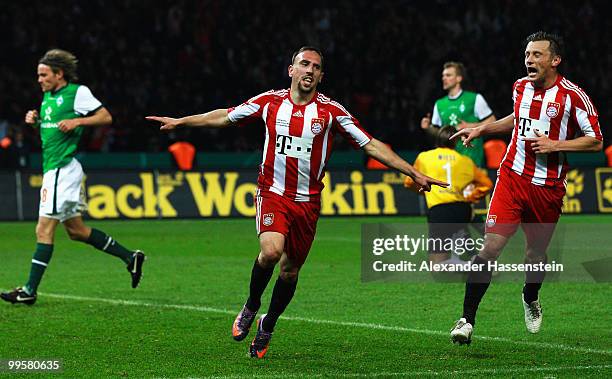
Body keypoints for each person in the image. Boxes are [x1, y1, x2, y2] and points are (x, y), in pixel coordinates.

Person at [146, 46, 447, 359]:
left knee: (290, 272)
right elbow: (226, 116)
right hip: (272, 192)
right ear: (291, 70)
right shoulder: (269, 102)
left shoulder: (331, 113)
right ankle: (251, 306)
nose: (310, 71)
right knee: (271, 252)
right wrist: (182, 122)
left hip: (308, 202)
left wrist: (413, 171)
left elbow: (370, 145)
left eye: (316, 67)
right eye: (304, 64)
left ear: (320, 76)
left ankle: (269, 323)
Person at [448, 32, 603, 345]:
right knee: (490, 247)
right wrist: (482, 128)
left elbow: (596, 139)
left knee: (536, 253)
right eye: (527, 54)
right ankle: (466, 319)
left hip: (548, 188)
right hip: (512, 178)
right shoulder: (520, 87)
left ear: (555, 60)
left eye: (537, 55)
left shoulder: (573, 96)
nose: (529, 60)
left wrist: (556, 144)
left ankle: (530, 295)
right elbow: (515, 120)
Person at [1, 49, 146, 306]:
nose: (39, 80)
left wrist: (77, 122)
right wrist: (35, 123)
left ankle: (29, 290)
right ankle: (129, 257)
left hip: (62, 170)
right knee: (77, 231)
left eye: (44, 75)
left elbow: (105, 116)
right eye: (38, 75)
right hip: (55, 170)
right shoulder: (48, 97)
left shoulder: (77, 93)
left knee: (43, 229)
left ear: (60, 74)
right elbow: (51, 134)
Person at [404, 126, 492, 268]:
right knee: (461, 231)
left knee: (436, 266)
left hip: (440, 210)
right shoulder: (466, 161)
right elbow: (486, 184)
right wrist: (470, 198)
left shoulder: (425, 157)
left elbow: (408, 182)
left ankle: (475, 265)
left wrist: (426, 191)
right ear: (455, 142)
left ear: (438, 139)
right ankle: (478, 260)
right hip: (463, 208)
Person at [421, 62, 496, 167]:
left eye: (448, 75)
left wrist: (470, 126)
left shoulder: (474, 98)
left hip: (472, 158)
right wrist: (428, 128)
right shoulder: (439, 104)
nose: (444, 78)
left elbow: (492, 121)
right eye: (443, 75)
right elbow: (439, 133)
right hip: (449, 161)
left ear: (459, 78)